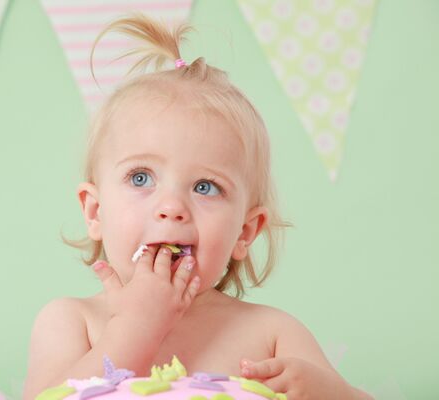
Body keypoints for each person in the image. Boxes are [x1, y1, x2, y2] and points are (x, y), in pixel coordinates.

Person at [23, 13, 372, 400]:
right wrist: (136, 327)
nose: (172, 207)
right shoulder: (73, 322)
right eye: (141, 178)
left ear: (244, 232)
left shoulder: (272, 334)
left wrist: (330, 392)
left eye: (205, 187)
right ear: (95, 212)